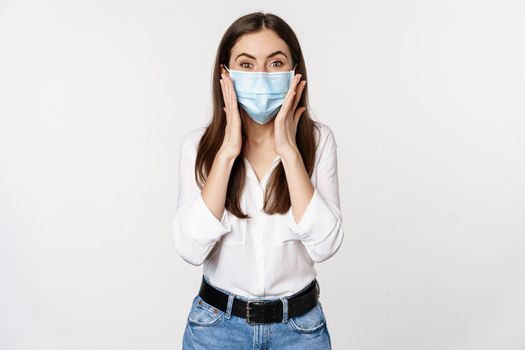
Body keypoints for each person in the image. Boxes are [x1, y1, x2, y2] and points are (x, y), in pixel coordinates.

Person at [171, 11, 344, 349]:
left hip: (299, 331)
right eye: (247, 65)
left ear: (296, 73)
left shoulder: (319, 141)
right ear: (225, 74)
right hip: (216, 330)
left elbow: (325, 246)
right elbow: (190, 249)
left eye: (275, 63)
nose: (261, 76)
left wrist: (290, 154)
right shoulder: (198, 146)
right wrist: (226, 153)